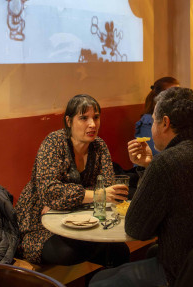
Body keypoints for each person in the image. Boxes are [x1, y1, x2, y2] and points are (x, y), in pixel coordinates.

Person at [90, 87, 193, 286]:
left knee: (99, 281)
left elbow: (136, 229)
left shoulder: (168, 163)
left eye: (153, 121)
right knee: (153, 252)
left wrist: (153, 168)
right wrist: (148, 167)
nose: (151, 128)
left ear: (165, 123)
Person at [15, 94, 129, 266]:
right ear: (68, 121)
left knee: (120, 251)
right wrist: (97, 194)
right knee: (70, 253)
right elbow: (50, 192)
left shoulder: (99, 146)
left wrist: (68, 198)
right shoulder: (54, 143)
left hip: (81, 220)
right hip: (40, 226)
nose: (92, 124)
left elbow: (108, 189)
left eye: (96, 117)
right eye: (84, 118)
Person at [135, 76, 179, 155]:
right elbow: (157, 153)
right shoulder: (148, 122)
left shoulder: (174, 116)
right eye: (173, 93)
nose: (179, 97)